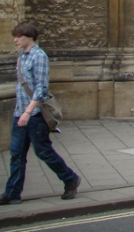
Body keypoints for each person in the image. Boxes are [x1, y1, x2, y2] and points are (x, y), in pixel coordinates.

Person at [0, 22, 81, 205]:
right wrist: (21, 112)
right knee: (16, 154)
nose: (15, 40)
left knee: (44, 152)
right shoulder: (22, 57)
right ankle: (13, 192)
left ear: (29, 37)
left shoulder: (39, 57)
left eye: (18, 36)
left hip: (34, 116)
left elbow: (41, 89)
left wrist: (28, 112)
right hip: (20, 113)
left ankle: (70, 179)